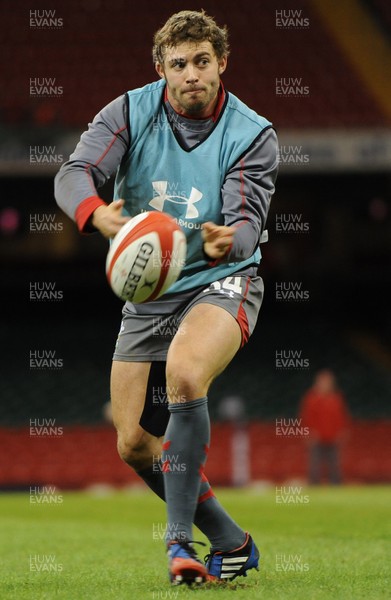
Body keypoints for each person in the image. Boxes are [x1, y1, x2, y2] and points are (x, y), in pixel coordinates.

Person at [55, 10, 278, 585]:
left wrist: (228, 239)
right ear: (161, 68)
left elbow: (247, 226)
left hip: (222, 279)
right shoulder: (128, 111)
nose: (192, 75)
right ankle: (232, 540)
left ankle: (181, 545)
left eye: (203, 61)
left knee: (183, 375)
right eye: (179, 64)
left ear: (222, 63)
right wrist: (95, 211)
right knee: (132, 443)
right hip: (152, 288)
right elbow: (75, 171)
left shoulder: (252, 133)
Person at [299, 369, 351, 485]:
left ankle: (336, 487)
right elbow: (306, 418)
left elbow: (342, 417)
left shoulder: (336, 398)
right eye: (323, 381)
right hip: (316, 439)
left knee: (334, 466)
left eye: (328, 382)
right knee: (315, 466)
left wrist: (342, 432)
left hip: (333, 438)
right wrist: (308, 433)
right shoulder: (311, 398)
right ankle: (314, 487)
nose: (326, 384)